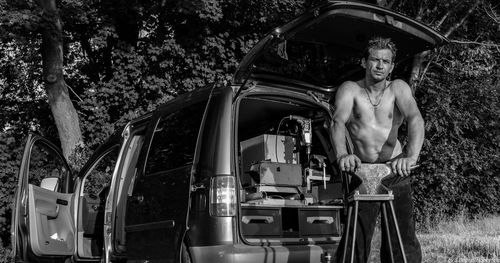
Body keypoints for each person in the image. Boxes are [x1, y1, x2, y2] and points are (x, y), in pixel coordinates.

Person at [331, 37, 423, 262]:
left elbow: (415, 119)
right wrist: (342, 154)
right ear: (365, 62)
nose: (380, 65)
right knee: (357, 237)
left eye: (386, 61)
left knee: (402, 238)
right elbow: (337, 122)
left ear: (392, 66)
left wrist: (411, 156)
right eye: (375, 59)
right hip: (362, 170)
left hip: (394, 169)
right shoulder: (350, 89)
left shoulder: (398, 88)